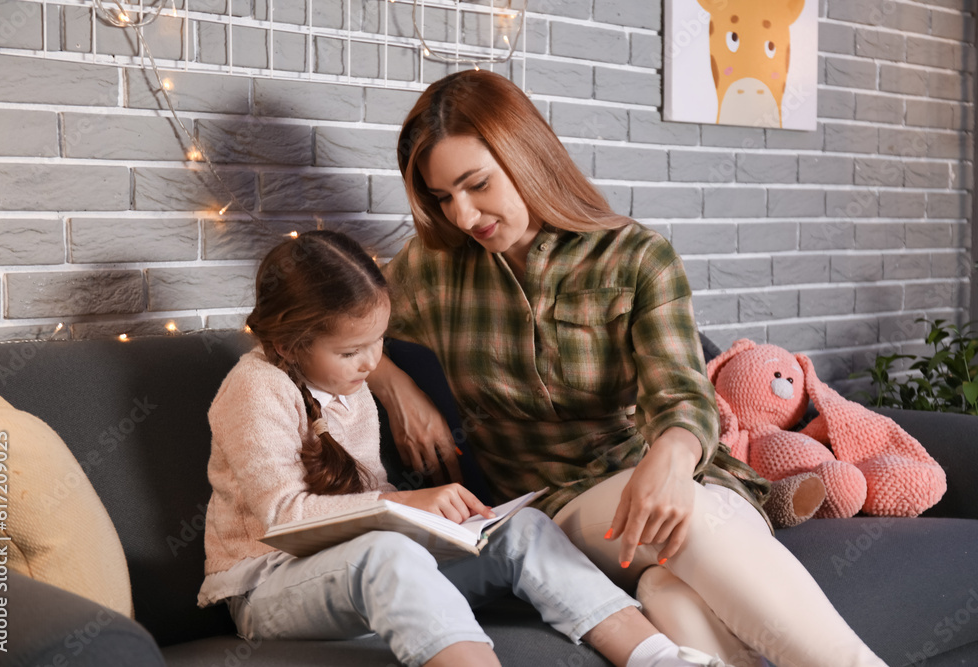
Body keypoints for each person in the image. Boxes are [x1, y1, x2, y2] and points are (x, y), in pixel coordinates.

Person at [367, 70, 888, 667]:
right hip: (560, 508)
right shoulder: (432, 270)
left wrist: (671, 457)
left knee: (669, 586)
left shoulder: (637, 256)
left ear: (526, 156)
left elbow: (681, 393)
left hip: (683, 484)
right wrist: (394, 382)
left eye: (476, 184)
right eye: (442, 198)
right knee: (687, 522)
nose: (462, 215)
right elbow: (320, 332)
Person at [197, 230, 731, 667]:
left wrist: (440, 525)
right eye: (352, 350)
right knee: (390, 555)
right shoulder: (255, 388)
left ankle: (660, 659)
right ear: (292, 344)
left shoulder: (347, 388)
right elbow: (281, 517)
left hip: (358, 572)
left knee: (522, 529)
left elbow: (362, 504)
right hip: (268, 589)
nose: (370, 363)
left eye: (378, 342)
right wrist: (405, 505)